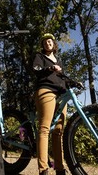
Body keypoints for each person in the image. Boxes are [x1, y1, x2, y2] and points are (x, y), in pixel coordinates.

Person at [33, 33, 67, 175]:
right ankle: (43, 169)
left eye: (50, 41)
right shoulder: (39, 57)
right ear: (43, 45)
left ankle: (60, 169)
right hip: (46, 90)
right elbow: (36, 69)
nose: (48, 43)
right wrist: (50, 68)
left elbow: (62, 76)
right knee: (45, 128)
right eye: (45, 41)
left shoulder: (59, 60)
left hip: (61, 94)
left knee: (58, 132)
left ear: (54, 44)